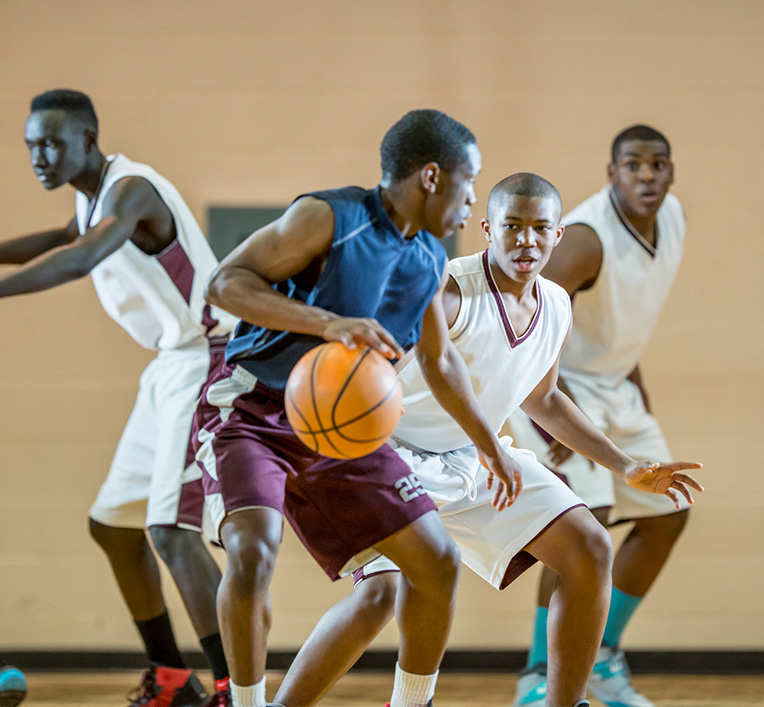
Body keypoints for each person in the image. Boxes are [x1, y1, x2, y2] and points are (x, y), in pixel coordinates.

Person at [266, 173, 703, 707]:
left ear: (558, 235)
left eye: (540, 228)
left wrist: (626, 465)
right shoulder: (449, 291)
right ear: (487, 229)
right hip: (389, 458)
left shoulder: (557, 305)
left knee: (588, 548)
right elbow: (375, 362)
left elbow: (543, 399)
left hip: (470, 458)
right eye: (512, 227)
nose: (526, 240)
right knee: (381, 595)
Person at [192, 109, 526, 707]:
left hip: (340, 435)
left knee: (438, 563)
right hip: (253, 412)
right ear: (431, 176)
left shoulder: (427, 259)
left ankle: (411, 702)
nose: (473, 200)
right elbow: (225, 283)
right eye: (469, 181)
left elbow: (440, 362)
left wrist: (490, 444)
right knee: (252, 552)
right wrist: (329, 324)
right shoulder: (330, 217)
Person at [0, 89, 234, 707]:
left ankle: (238, 687)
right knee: (113, 526)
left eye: (51, 143)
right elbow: (56, 238)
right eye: (30, 146)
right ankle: (171, 678)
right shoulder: (92, 199)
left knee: (172, 532)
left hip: (208, 361)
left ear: (88, 136)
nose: (39, 157)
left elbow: (79, 260)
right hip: (170, 366)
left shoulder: (130, 190)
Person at [508, 125, 691, 707]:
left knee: (667, 512)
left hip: (616, 385)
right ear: (612, 172)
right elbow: (528, 312)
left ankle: (601, 657)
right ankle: (540, 674)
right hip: (556, 387)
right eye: (632, 165)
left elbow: (623, 323)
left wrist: (639, 396)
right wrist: (544, 415)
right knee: (586, 524)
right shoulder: (587, 238)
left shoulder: (674, 220)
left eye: (657, 164)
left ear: (670, 172)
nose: (646, 175)